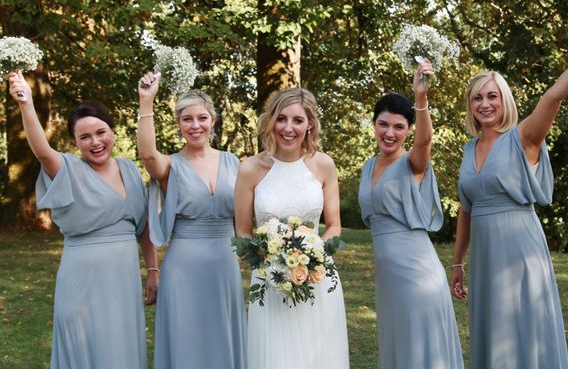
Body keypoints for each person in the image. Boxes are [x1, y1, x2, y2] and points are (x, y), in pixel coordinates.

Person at [451, 23, 568, 368]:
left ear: (504, 101)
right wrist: (457, 262)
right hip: (485, 256)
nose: (485, 104)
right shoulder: (468, 150)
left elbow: (554, 96)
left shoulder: (523, 137)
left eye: (492, 96)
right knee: (493, 331)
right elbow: (466, 210)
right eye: (478, 97)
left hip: (520, 249)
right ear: (470, 105)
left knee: (523, 327)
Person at [8, 70, 158, 369]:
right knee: (86, 350)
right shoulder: (67, 168)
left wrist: (152, 268)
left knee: (121, 350)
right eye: (84, 137)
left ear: (112, 131)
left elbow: (144, 228)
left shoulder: (130, 169)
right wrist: (26, 103)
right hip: (82, 283)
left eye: (101, 132)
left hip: (124, 280)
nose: (95, 142)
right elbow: (41, 151)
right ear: (75, 142)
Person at [358, 61, 464, 369]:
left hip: (417, 274)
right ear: (374, 124)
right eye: (383, 124)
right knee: (399, 348)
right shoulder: (367, 166)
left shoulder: (412, 163)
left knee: (422, 351)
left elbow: (425, 141)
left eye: (398, 127)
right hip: (388, 278)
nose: (389, 133)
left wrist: (421, 99)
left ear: (407, 130)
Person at [137, 73, 247, 369]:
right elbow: (148, 154)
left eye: (202, 118)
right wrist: (146, 101)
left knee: (222, 337)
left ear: (212, 120)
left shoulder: (233, 162)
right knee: (186, 339)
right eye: (187, 119)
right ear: (179, 124)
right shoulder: (170, 165)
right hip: (183, 267)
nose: (195, 125)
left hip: (224, 263)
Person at [235, 87, 349, 369]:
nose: (288, 128)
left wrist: (313, 258)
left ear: (310, 123)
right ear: (271, 120)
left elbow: (334, 226)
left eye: (297, 120)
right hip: (269, 283)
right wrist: (272, 263)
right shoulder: (250, 168)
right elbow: (243, 232)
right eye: (281, 118)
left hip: (318, 279)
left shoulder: (323, 165)